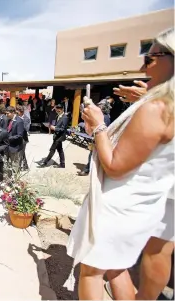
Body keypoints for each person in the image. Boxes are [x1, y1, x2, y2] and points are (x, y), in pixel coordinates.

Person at [66, 27, 174, 300]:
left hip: (121, 202)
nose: (142, 66)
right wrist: (146, 97)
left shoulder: (157, 109)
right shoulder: (164, 106)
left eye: (149, 59)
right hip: (150, 200)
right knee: (117, 268)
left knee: (92, 272)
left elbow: (115, 164)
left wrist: (98, 124)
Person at [37, 104, 68, 168]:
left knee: (52, 149)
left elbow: (63, 129)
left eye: (59, 111)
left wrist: (55, 128)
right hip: (56, 135)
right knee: (60, 150)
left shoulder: (65, 118)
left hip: (60, 136)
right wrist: (51, 126)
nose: (57, 112)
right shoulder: (58, 116)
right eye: (56, 111)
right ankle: (62, 164)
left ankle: (45, 162)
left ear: (62, 110)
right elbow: (57, 125)